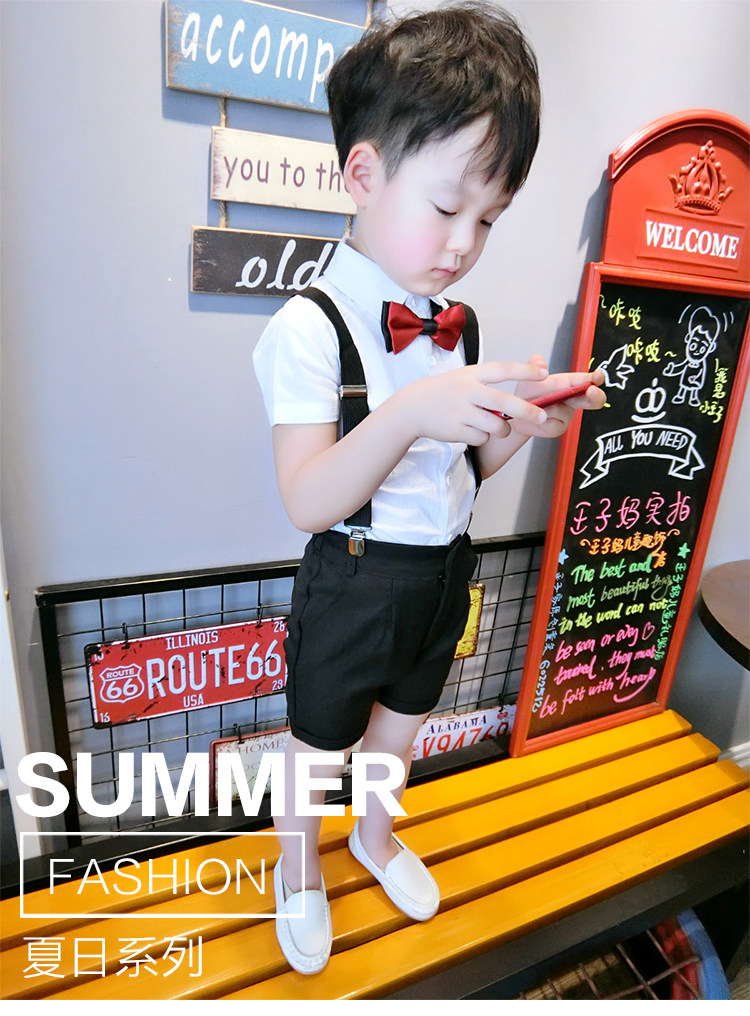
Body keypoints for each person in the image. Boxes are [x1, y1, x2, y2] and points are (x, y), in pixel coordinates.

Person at [253, 1, 605, 975]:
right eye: (448, 207)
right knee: (318, 743)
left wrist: (525, 426)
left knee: (398, 732)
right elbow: (308, 499)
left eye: (487, 220)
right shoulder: (309, 328)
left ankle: (373, 834)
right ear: (364, 175)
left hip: (443, 573)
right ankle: (297, 865)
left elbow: (459, 473)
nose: (464, 243)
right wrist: (412, 410)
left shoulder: (459, 324)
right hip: (353, 578)